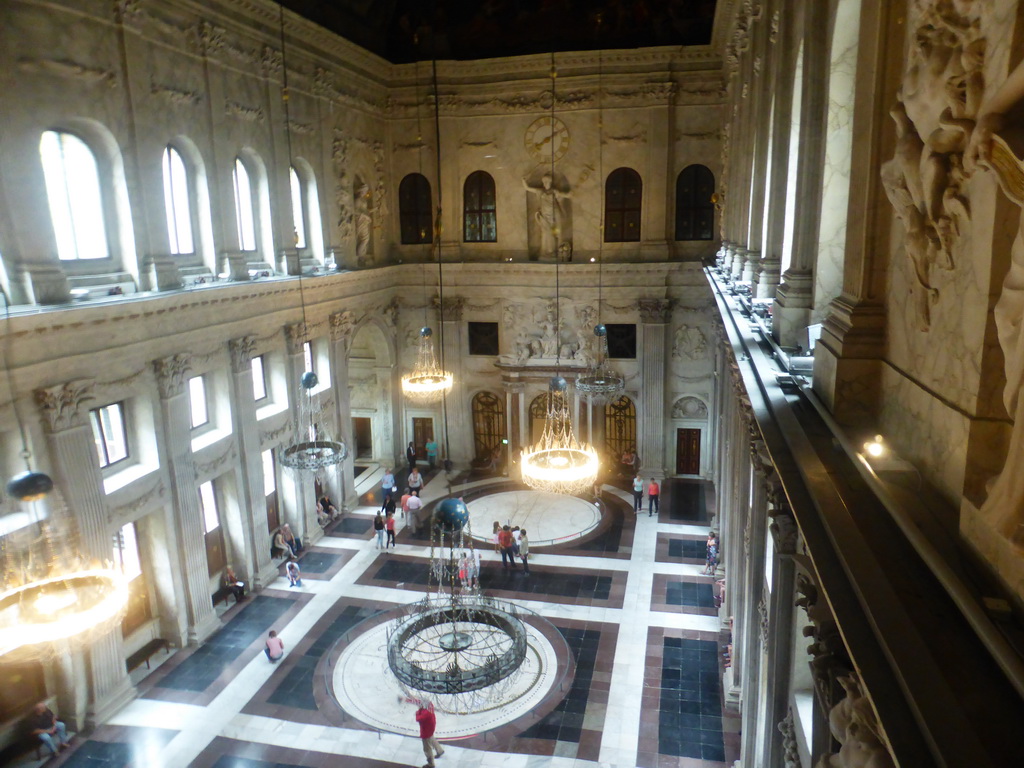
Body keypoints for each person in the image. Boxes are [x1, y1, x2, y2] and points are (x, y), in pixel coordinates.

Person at [415, 700, 444, 767]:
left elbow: (418, 718)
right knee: (431, 738)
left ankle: (431, 764)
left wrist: (417, 712)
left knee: (427, 748)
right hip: (430, 729)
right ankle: (439, 750)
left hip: (426, 731)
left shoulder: (425, 713)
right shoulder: (430, 707)